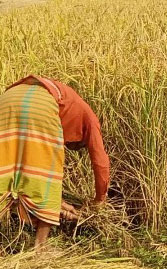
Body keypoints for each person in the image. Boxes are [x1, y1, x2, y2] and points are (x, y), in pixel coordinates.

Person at [0, 76, 110, 249]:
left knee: (5, 170)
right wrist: (99, 201)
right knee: (47, 175)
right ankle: (40, 247)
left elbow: (25, 173)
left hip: (8, 99)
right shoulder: (90, 118)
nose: (70, 146)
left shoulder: (71, 104)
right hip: (41, 104)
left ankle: (3, 241)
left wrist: (60, 204)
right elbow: (100, 162)